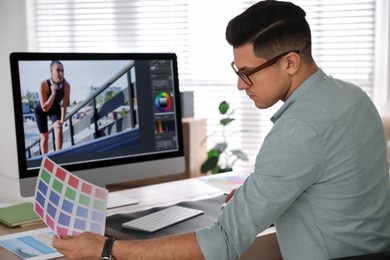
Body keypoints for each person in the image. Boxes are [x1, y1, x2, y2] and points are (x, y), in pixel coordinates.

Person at [53, 1, 390, 259]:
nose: (241, 86)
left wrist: (107, 247)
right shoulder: (351, 96)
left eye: (248, 73)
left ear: (290, 62)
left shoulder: (299, 129)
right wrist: (261, 190)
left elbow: (224, 243)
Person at [34, 60, 70, 154]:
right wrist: (53, 93)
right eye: (58, 70)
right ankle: (45, 159)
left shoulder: (66, 86)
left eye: (62, 70)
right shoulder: (43, 84)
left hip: (54, 109)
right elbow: (44, 108)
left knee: (58, 128)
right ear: (51, 72)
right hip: (41, 110)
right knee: (45, 137)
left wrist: (62, 121)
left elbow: (64, 104)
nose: (61, 73)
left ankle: (58, 156)